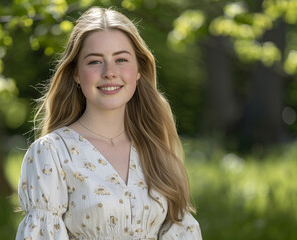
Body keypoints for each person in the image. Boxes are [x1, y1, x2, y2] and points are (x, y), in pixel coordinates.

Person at [16, 6, 202, 240]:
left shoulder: (157, 148)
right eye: (95, 62)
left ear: (138, 71)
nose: (110, 72)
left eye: (121, 59)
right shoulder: (52, 152)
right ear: (76, 73)